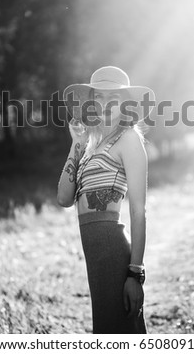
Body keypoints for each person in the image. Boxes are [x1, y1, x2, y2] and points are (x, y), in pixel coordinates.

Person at [57, 66, 155, 334]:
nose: (105, 104)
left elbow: (138, 210)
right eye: (99, 97)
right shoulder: (89, 147)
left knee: (120, 332)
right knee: (107, 330)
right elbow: (64, 198)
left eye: (114, 98)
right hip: (94, 254)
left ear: (125, 105)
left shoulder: (129, 139)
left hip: (112, 249)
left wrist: (136, 274)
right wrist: (76, 144)